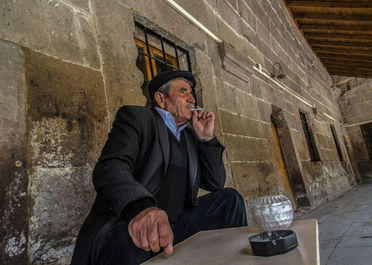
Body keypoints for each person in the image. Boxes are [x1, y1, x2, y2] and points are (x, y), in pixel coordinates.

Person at [71, 71, 247, 265]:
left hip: (176, 225)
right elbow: (111, 167)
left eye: (192, 93)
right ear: (161, 99)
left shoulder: (190, 136)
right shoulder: (138, 118)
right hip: (130, 220)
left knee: (229, 199)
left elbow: (215, 183)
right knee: (128, 238)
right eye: (183, 91)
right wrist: (141, 209)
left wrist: (206, 138)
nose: (192, 98)